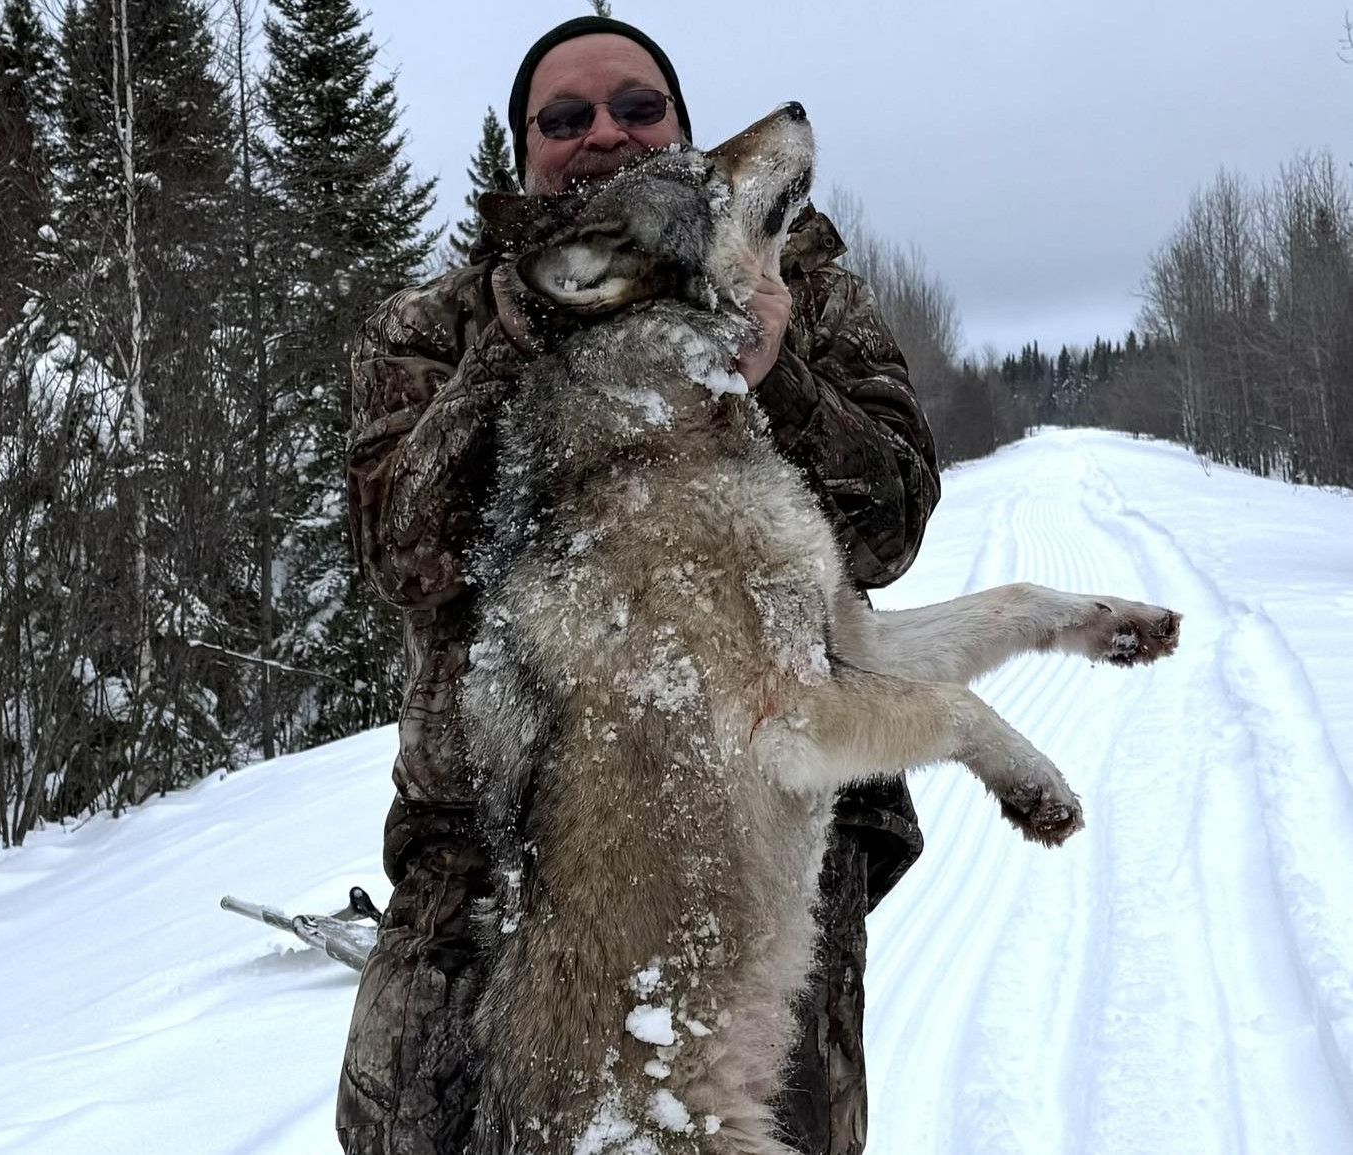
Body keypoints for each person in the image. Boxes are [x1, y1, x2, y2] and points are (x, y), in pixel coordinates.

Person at [340, 16, 940, 1155]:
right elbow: (402, 556)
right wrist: (530, 329)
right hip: (482, 837)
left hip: (751, 815)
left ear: (684, 130)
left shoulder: (803, 292)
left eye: (636, 107)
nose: (601, 135)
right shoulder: (433, 325)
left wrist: (766, 373)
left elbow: (890, 526)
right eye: (562, 119)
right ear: (522, 151)